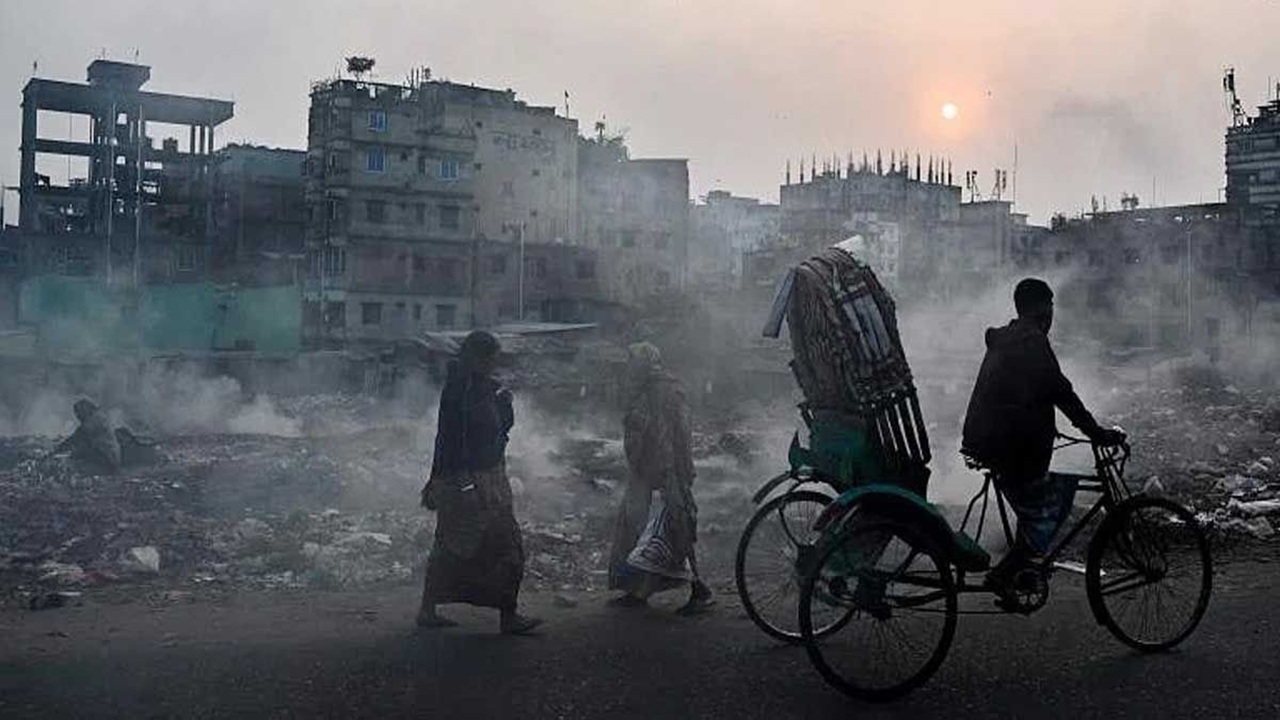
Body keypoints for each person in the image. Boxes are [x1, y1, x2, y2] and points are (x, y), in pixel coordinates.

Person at [961, 278, 1125, 606]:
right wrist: (1097, 433)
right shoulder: (1030, 341)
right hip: (1009, 450)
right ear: (1042, 308)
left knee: (1041, 499)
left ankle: (1021, 573)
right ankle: (1005, 574)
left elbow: (1038, 393)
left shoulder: (1010, 338)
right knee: (1050, 508)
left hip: (992, 443)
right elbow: (1060, 392)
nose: (1051, 314)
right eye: (1050, 306)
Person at [416, 331, 542, 635]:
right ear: (476, 357)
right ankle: (506, 616)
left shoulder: (484, 388)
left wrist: (505, 405)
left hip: (488, 477)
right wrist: (463, 483)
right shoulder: (460, 391)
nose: (493, 365)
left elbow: (499, 429)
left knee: (456, 545)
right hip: (470, 482)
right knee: (496, 545)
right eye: (490, 359)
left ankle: (430, 609)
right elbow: (450, 440)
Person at [607, 342, 715, 615]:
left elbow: (682, 431)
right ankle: (638, 590)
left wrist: (684, 468)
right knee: (634, 525)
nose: (630, 367)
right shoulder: (639, 388)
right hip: (644, 468)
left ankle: (700, 590)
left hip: (668, 468)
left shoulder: (668, 390)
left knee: (678, 529)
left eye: (634, 362)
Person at [54, 399, 123, 475]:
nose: (78, 416)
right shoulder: (98, 417)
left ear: (85, 410)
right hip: (107, 456)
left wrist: (59, 449)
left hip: (106, 458)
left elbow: (77, 436)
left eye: (78, 413)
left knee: (71, 464)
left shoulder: (95, 420)